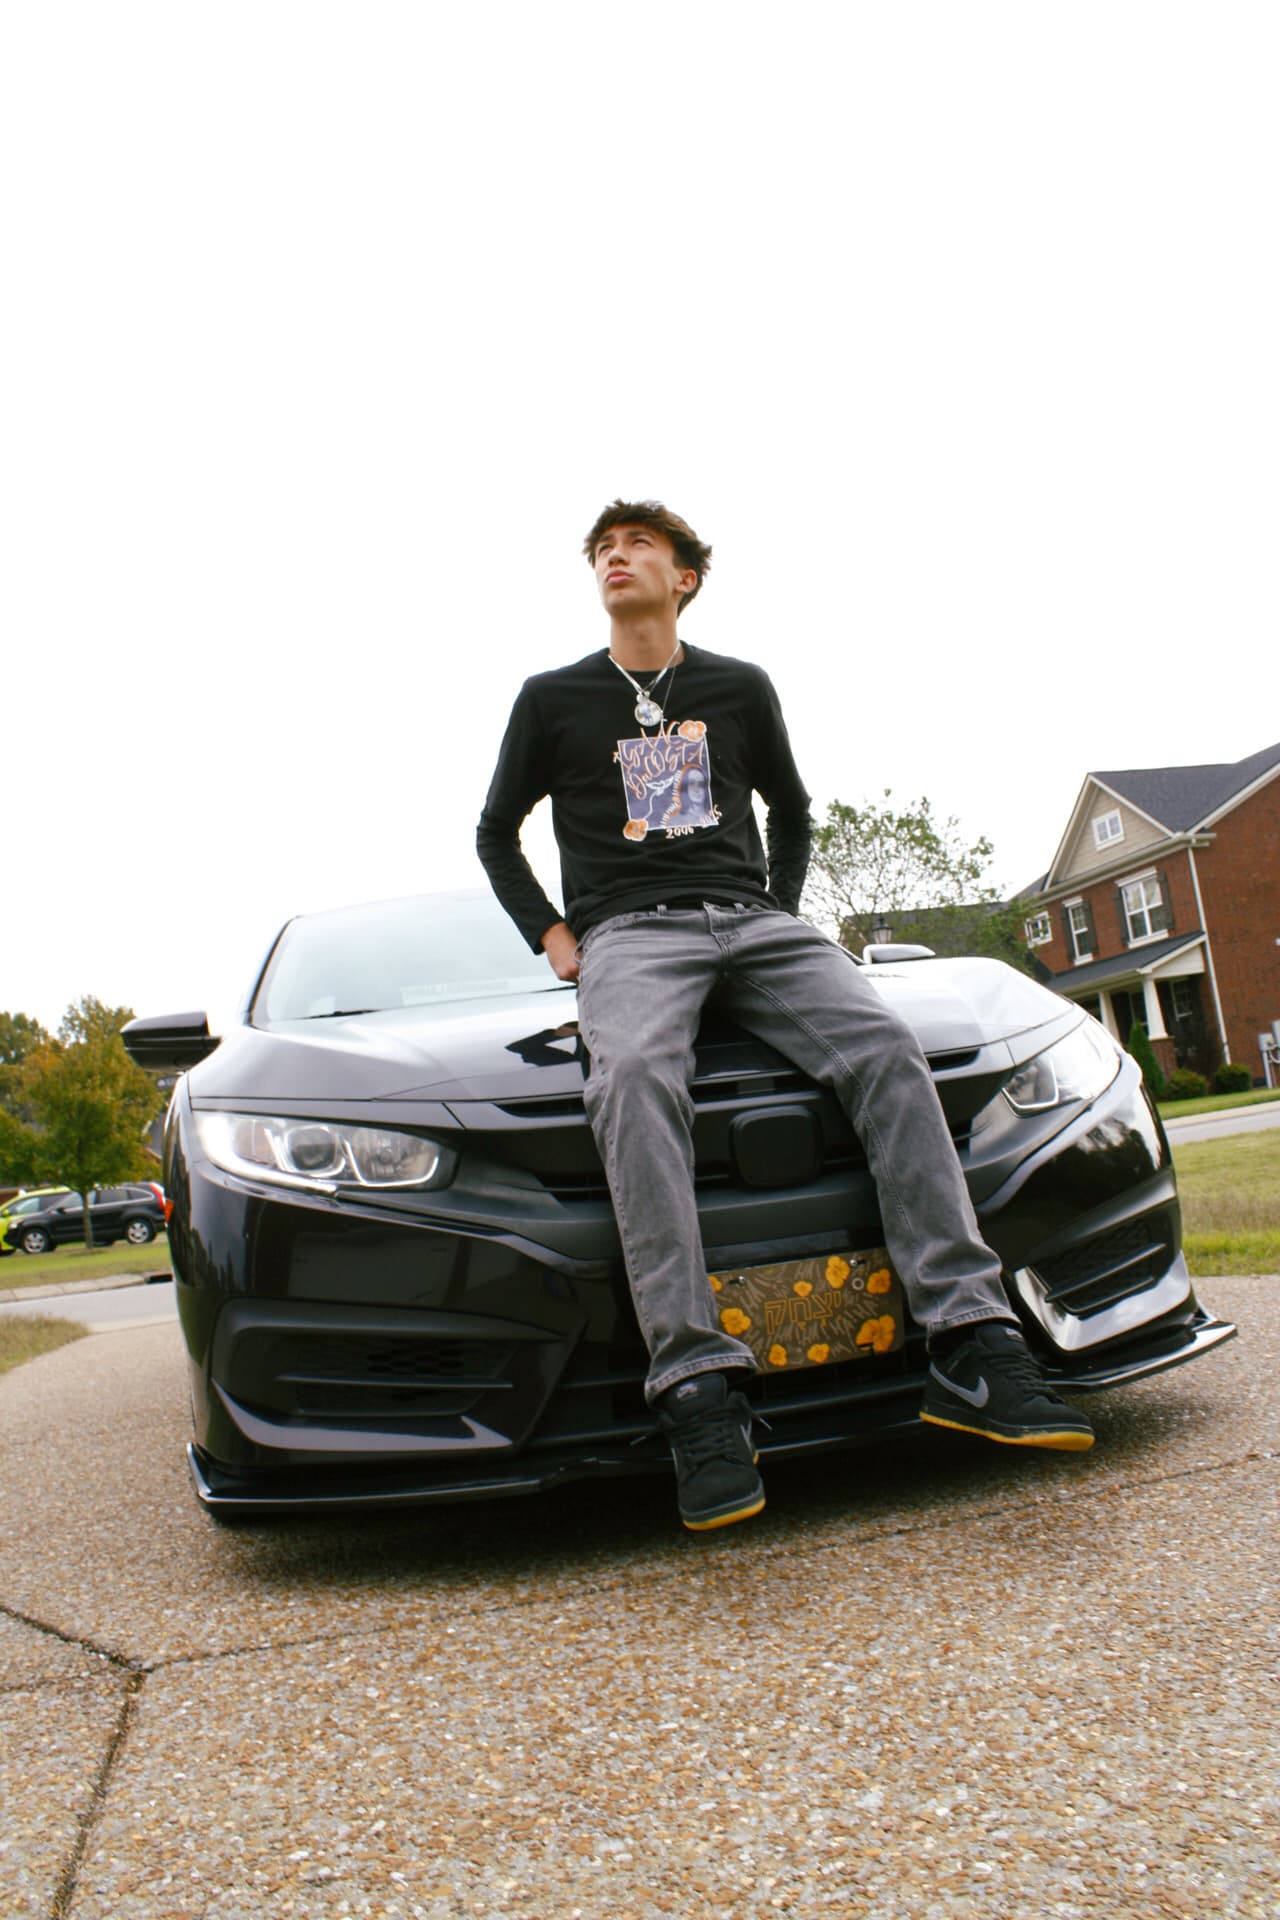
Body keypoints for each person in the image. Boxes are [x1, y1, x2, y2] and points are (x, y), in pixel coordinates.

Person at [476, 499, 1094, 1532]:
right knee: (628, 1082)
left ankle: (969, 1344)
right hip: (629, 934)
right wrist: (552, 935)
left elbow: (791, 810)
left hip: (753, 923)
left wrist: (779, 911)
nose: (614, 559)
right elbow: (497, 831)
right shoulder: (552, 699)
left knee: (887, 1051)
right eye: (601, 552)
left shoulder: (736, 687)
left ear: (685, 577)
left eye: (635, 547)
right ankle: (697, 1396)